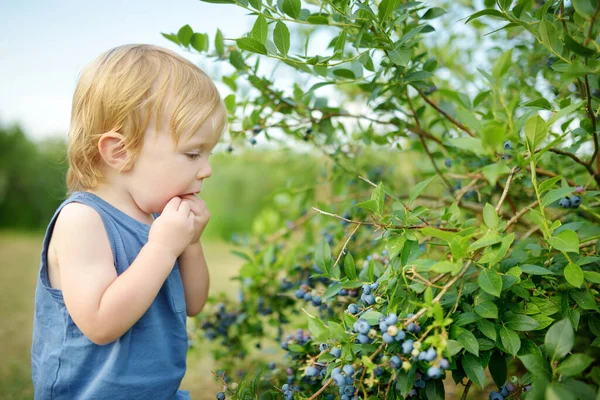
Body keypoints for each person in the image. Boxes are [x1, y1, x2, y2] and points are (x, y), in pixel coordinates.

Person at [31, 44, 228, 399]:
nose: (207, 169)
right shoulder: (82, 220)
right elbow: (101, 324)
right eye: (193, 153)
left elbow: (194, 303)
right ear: (120, 152)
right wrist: (163, 248)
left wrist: (191, 243)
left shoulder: (159, 220)